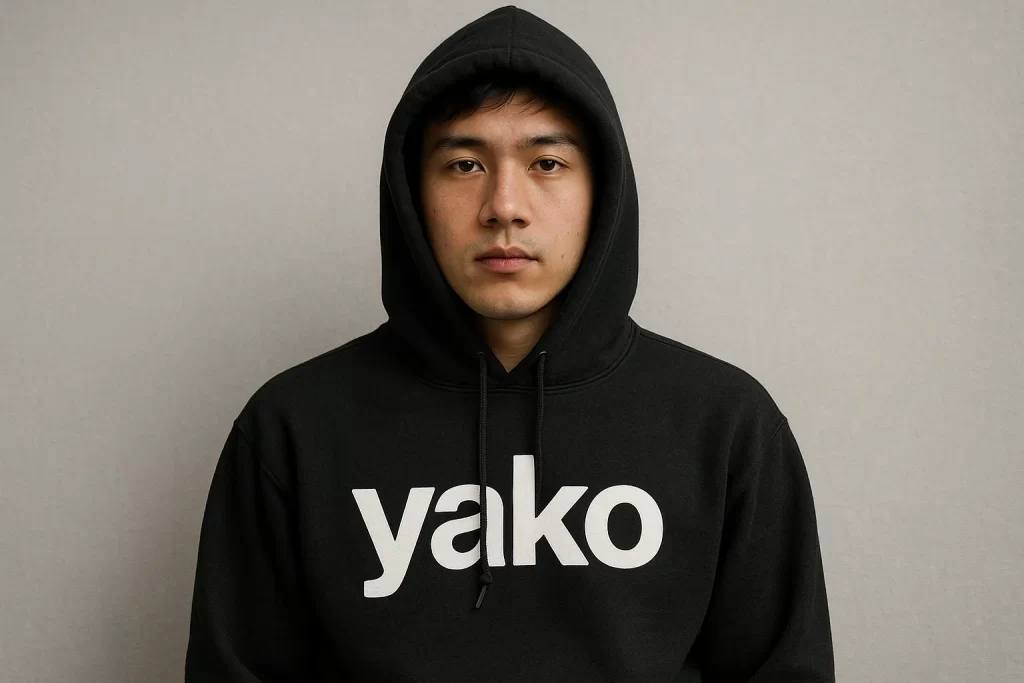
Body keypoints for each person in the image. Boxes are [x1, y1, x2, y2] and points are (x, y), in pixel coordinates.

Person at [185, 5, 836, 681]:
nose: (503, 206)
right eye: (464, 164)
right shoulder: (293, 427)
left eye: (547, 162)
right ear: (411, 192)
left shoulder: (726, 425)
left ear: (604, 191)